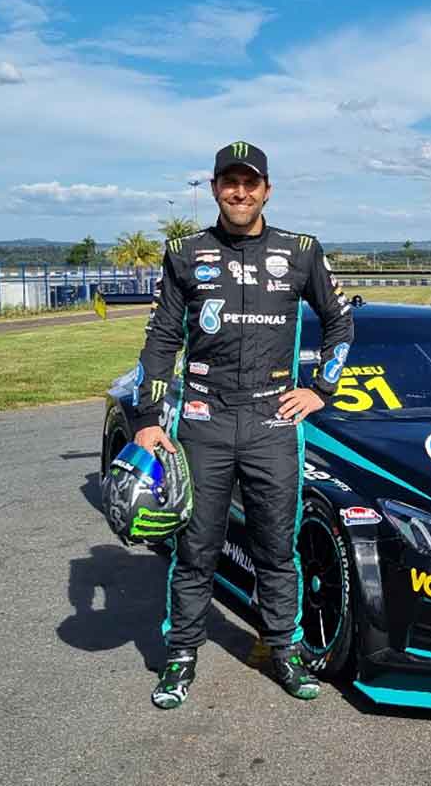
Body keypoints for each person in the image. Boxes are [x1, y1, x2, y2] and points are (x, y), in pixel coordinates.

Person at [132, 141, 354, 709]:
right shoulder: (185, 252)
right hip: (203, 420)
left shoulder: (300, 251)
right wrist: (149, 419)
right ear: (213, 189)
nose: (239, 192)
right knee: (196, 548)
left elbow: (339, 322)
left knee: (277, 548)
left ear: (267, 190)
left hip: (272, 422)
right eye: (229, 182)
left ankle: (286, 651)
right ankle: (180, 657)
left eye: (250, 183)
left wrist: (320, 390)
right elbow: (161, 338)